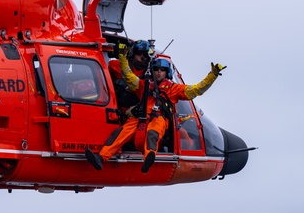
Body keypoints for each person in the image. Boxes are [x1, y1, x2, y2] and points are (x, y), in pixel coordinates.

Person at [86, 53, 225, 173]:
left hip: (158, 118)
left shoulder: (174, 89)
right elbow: (128, 76)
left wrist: (212, 76)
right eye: (156, 69)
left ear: (166, 73)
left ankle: (149, 158)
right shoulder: (143, 85)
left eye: (162, 70)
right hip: (139, 118)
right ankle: (101, 158)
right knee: (120, 133)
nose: (159, 72)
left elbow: (197, 90)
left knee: (153, 134)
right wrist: (122, 57)